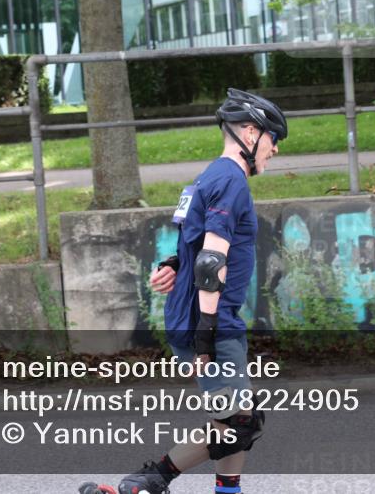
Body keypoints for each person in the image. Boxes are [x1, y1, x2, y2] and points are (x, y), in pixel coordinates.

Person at [118, 88, 287, 494]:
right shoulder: (230, 181)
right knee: (240, 424)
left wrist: (174, 265)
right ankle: (147, 483)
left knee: (234, 420)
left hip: (203, 318)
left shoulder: (208, 176)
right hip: (209, 322)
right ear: (250, 133)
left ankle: (225, 490)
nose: (275, 150)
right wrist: (206, 334)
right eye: (273, 139)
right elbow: (211, 261)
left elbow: (193, 245)